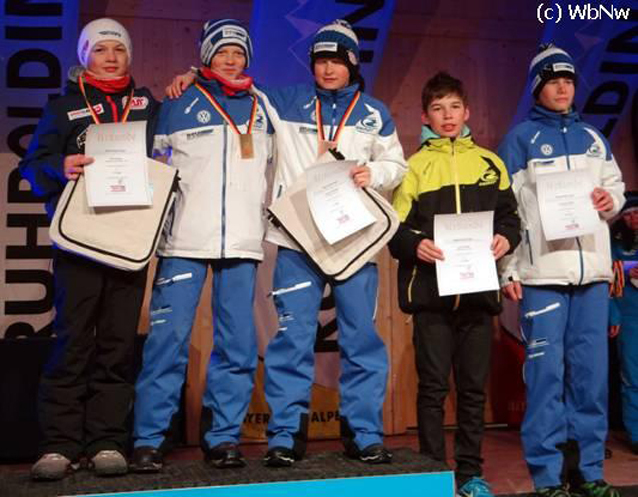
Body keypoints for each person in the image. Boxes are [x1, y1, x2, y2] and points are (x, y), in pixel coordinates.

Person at [257, 20, 406, 466]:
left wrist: (374, 174)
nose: (327, 68)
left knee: (361, 337)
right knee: (292, 336)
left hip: (354, 239)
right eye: (321, 60)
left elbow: (397, 165)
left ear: (352, 64)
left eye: (336, 60)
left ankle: (363, 433)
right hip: (297, 238)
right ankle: (285, 435)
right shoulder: (286, 102)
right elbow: (238, 86)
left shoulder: (374, 113)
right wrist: (193, 75)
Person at [19, 18, 160, 480]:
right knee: (74, 341)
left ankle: (106, 441)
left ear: (129, 55)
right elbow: (34, 164)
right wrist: (60, 166)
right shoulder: (62, 108)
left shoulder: (148, 105)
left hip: (128, 239)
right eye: (100, 49)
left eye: (118, 49)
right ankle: (59, 444)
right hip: (80, 240)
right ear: (85, 56)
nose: (111, 56)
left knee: (118, 345)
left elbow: (171, 151)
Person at [130, 19, 272, 472]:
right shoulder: (177, 102)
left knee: (237, 344)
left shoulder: (263, 105)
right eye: (223, 52)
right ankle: (150, 439)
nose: (232, 61)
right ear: (206, 56)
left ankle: (224, 437)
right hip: (184, 240)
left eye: (239, 54)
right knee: (167, 340)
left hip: (242, 243)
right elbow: (153, 169)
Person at [498, 44, 625, 497]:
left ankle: (589, 471)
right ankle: (548, 477)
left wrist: (613, 203)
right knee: (546, 381)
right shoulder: (520, 140)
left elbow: (615, 190)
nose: (563, 87)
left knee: (591, 381)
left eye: (568, 80)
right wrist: (508, 270)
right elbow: (507, 213)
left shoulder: (594, 138)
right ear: (538, 87)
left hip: (591, 275)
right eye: (553, 80)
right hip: (542, 276)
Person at [388, 71, 520, 497]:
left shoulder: (490, 163)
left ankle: (469, 474)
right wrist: (416, 245)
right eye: (438, 109)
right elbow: (394, 229)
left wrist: (507, 238)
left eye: (454, 107)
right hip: (431, 296)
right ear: (425, 115)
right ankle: (433, 476)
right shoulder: (413, 167)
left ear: (467, 112)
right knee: (431, 389)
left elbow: (510, 218)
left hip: (479, 297)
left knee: (472, 391)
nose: (447, 116)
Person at [609, 192, 638, 455]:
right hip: (629, 316)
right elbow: (607, 276)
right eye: (627, 214)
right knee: (632, 377)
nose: (632, 219)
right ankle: (636, 434)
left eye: (637, 212)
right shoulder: (614, 240)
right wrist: (613, 315)